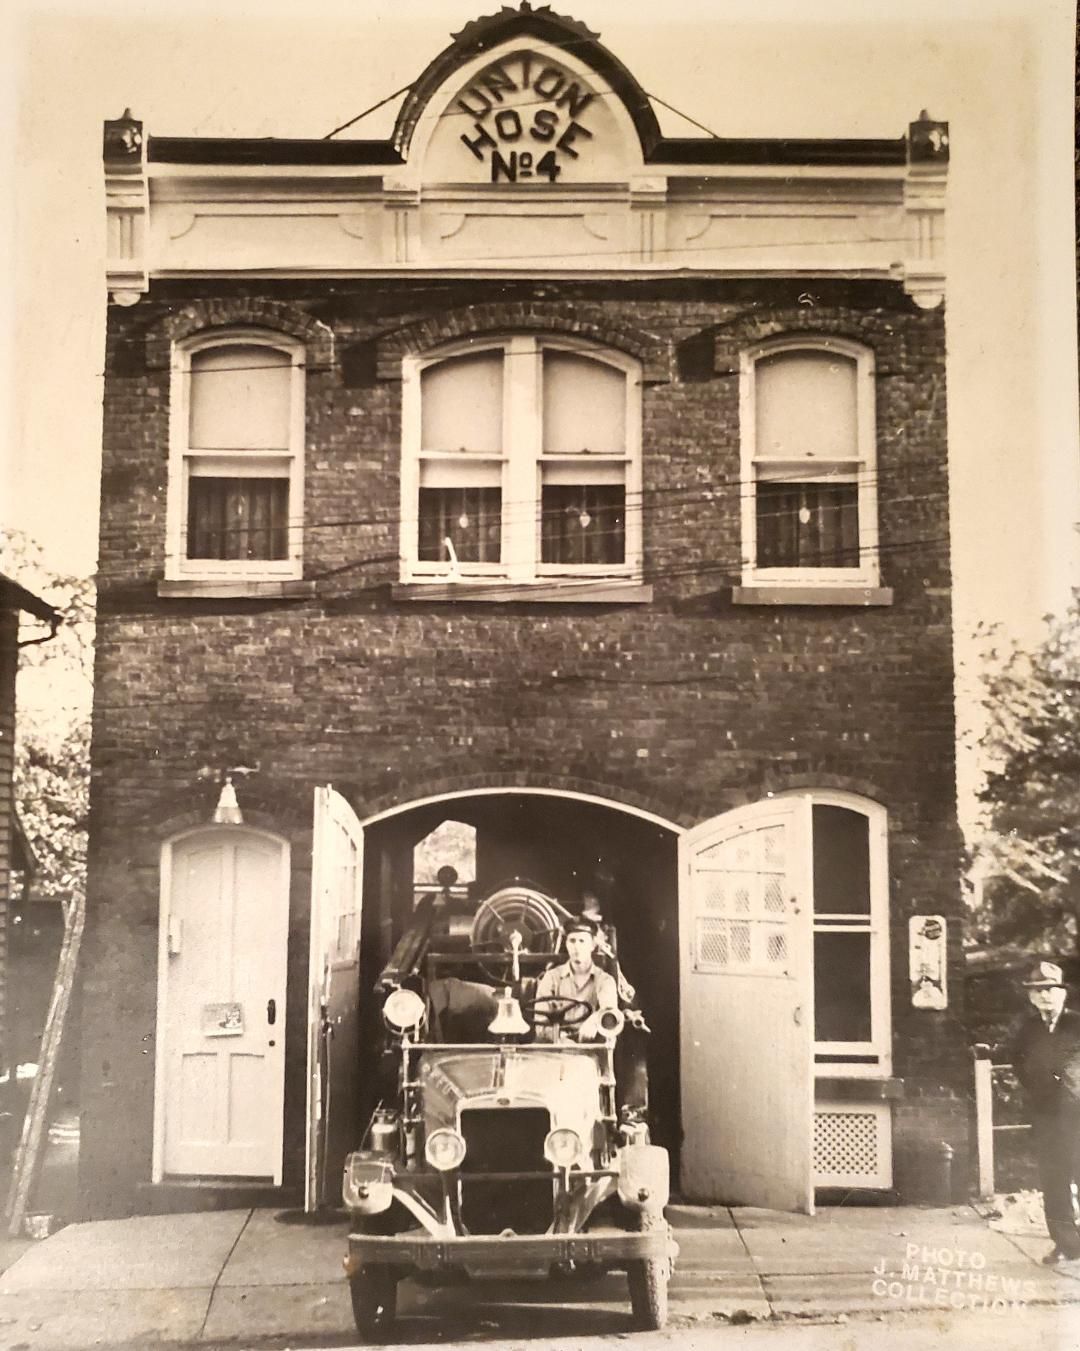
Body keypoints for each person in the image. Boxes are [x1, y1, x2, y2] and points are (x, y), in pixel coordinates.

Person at [1010, 960, 1080, 1264]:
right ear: (1031, 997)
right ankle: (1066, 1244)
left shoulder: (1077, 1024)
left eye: (1051, 990)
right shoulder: (1028, 1029)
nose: (1046, 996)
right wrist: (1038, 1087)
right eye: (1039, 991)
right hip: (1046, 1116)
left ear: (1063, 994)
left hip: (1077, 1114)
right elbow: (1018, 1062)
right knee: (1053, 1181)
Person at [534, 917, 619, 1039]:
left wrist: (594, 1021)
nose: (576, 947)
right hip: (556, 1049)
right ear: (566, 944)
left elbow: (609, 1012)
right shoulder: (551, 978)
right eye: (572, 941)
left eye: (582, 941)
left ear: (592, 945)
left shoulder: (604, 981)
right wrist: (559, 1038)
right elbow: (540, 1023)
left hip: (592, 1048)